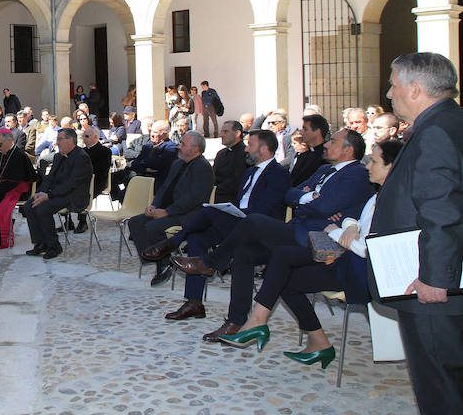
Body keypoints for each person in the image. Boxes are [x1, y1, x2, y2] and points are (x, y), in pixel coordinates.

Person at [171, 128, 373, 343]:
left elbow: (323, 206)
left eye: (333, 141)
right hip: (301, 229)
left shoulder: (356, 174)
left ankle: (210, 262)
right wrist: (308, 199)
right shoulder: (324, 169)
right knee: (243, 252)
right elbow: (292, 194)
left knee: (253, 221)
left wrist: (307, 200)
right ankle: (236, 321)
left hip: (321, 240)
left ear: (348, 149)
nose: (326, 144)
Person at [219, 140, 401, 368]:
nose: (368, 167)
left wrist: (334, 231)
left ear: (392, 167)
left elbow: (368, 249)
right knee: (282, 272)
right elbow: (358, 220)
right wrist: (351, 224)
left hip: (357, 272)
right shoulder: (378, 197)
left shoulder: (394, 203)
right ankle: (317, 342)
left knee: (280, 258)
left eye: (374, 162)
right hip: (343, 259)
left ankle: (257, 321)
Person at [370, 52, 463, 413]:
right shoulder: (451, 121)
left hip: (431, 287)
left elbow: (441, 210)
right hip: (446, 276)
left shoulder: (436, 132)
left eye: (393, 86)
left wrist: (434, 279)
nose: (390, 94)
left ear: (414, 88)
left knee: (440, 383)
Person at [141, 130, 291, 315]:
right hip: (236, 225)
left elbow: (265, 210)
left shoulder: (279, 174)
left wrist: (232, 213)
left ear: (265, 149)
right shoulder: (250, 172)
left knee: (209, 210)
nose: (246, 149)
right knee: (197, 239)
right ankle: (194, 303)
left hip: (259, 228)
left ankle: (173, 242)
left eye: (250, 145)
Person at [127, 131, 214, 285]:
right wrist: (154, 205)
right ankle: (163, 261)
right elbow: (165, 188)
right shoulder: (178, 163)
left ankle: (163, 262)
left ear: (195, 149)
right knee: (135, 222)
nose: (178, 147)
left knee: (153, 227)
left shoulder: (203, 167)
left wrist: (167, 212)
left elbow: (193, 199)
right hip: (168, 209)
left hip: (189, 214)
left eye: (183, 144)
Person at [22, 128, 93, 260]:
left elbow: (72, 184)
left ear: (70, 140)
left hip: (74, 196)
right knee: (28, 206)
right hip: (58, 194)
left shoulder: (81, 158)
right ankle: (41, 243)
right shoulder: (58, 155)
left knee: (43, 208)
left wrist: (48, 196)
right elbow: (50, 177)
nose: (57, 142)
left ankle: (54, 245)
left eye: (60, 139)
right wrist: (41, 192)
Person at [110, 120, 178, 200]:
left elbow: (158, 164)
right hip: (141, 178)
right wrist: (145, 168)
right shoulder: (147, 146)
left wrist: (142, 162)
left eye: (155, 132)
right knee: (122, 192)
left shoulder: (171, 148)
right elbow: (135, 164)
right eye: (151, 131)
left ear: (165, 134)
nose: (152, 134)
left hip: (155, 183)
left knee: (127, 194)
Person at [211, 120, 249, 205]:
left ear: (237, 133)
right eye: (221, 132)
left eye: (226, 132)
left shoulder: (244, 154)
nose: (222, 135)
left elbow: (236, 182)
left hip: (230, 200)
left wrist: (215, 190)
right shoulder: (221, 153)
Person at [290, 114, 328, 186]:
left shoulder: (327, 156)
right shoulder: (303, 155)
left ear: (317, 132)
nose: (301, 132)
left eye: (305, 129)